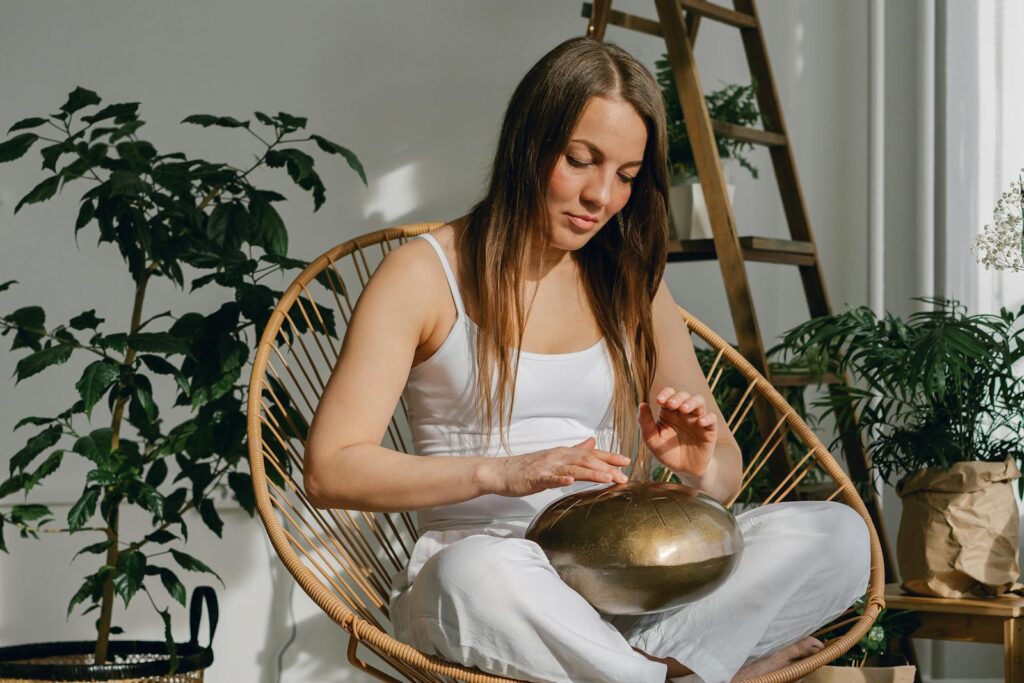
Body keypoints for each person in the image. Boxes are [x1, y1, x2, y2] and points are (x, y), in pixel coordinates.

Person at [304, 36, 870, 683]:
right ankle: (686, 672)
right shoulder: (424, 276)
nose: (602, 195)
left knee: (838, 536)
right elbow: (331, 468)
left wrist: (699, 466)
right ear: (529, 144)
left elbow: (725, 476)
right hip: (500, 594)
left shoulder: (631, 282)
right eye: (580, 160)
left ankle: (640, 670)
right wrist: (503, 472)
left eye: (626, 176)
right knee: (475, 574)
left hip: (630, 590)